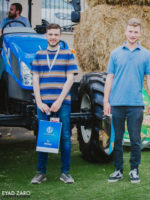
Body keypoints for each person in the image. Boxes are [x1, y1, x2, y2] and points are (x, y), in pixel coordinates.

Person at [104, 18, 150, 184]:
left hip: (135, 105)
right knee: (117, 139)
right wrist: (106, 101)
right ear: (125, 32)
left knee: (135, 139)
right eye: (130, 31)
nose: (133, 35)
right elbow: (109, 78)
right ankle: (118, 170)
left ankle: (134, 169)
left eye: (136, 32)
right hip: (116, 103)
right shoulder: (115, 53)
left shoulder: (146, 54)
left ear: (140, 33)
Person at [30, 23, 78, 184]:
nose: (53, 37)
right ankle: (40, 173)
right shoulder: (39, 54)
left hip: (62, 103)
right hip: (43, 104)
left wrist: (59, 100)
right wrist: (39, 102)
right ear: (46, 35)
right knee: (44, 137)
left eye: (56, 34)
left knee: (65, 137)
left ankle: (65, 172)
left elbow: (70, 79)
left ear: (60, 36)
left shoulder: (67, 54)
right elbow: (35, 79)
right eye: (50, 34)